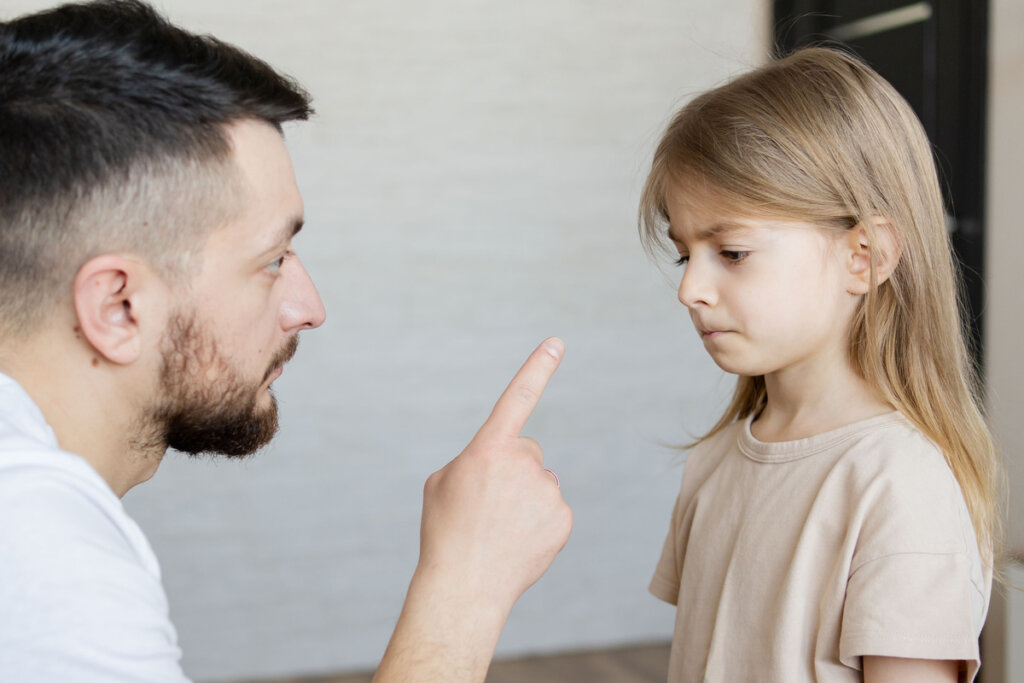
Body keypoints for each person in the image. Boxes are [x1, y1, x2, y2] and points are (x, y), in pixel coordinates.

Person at [0, 1, 572, 681]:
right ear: (118, 307)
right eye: (273, 260)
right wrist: (468, 581)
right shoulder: (42, 558)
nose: (309, 309)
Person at [639, 47, 1002, 682]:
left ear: (865, 256)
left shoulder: (900, 486)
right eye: (684, 256)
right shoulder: (713, 461)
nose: (690, 289)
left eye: (732, 252)